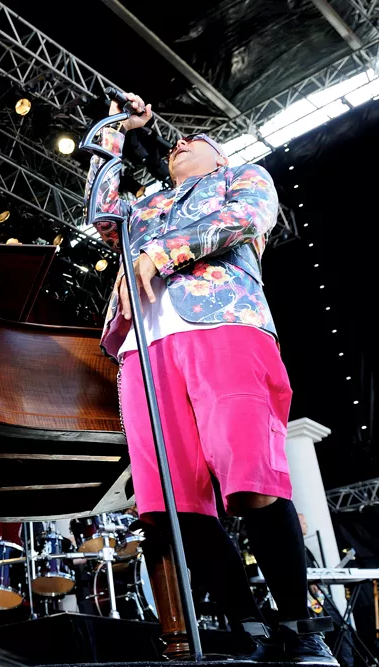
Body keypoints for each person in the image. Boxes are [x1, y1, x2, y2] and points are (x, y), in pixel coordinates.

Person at [84, 93, 336, 665]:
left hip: (224, 324)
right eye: (174, 143)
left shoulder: (242, 177)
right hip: (144, 347)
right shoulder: (145, 207)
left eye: (193, 140)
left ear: (221, 157)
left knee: (250, 479)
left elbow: (245, 219)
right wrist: (117, 128)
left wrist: (161, 254)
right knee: (170, 506)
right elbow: (101, 213)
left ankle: (300, 628)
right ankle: (249, 629)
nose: (178, 144)